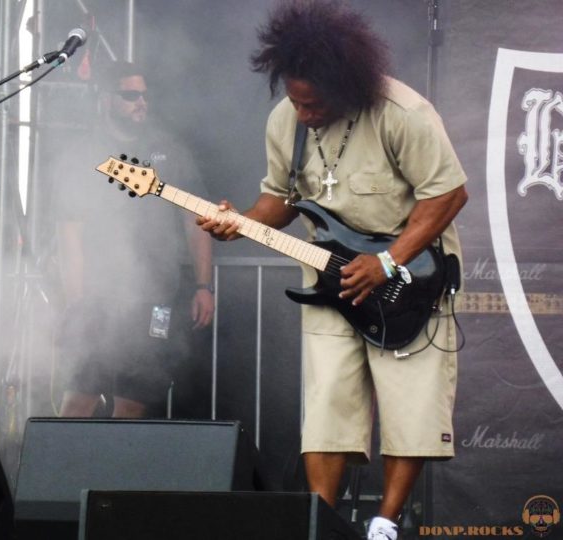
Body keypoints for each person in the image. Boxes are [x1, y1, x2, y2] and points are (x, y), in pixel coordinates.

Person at [196, 2, 468, 539]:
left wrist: (387, 262)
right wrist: (240, 223)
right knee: (326, 405)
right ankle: (321, 522)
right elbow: (282, 200)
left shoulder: (402, 113)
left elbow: (448, 194)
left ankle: (384, 525)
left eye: (313, 103)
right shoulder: (285, 120)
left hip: (411, 277)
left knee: (409, 406)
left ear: (346, 87)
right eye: (295, 100)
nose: (302, 113)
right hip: (328, 278)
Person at [54, 61, 214, 419]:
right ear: (106, 99)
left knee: (134, 400)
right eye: (130, 95)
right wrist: (76, 304)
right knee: (81, 396)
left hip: (156, 295)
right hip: (98, 297)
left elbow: (196, 220)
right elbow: (70, 238)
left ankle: (111, 476)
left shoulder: (168, 151)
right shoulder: (82, 154)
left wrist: (204, 285)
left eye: (144, 95)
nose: (141, 102)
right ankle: (57, 471)